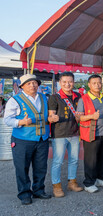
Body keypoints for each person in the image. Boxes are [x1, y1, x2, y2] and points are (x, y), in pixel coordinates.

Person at [4, 74, 55, 205]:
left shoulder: (44, 97)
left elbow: (47, 115)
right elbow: (7, 119)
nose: (32, 85)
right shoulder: (14, 100)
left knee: (41, 167)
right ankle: (24, 193)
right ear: (22, 86)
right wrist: (21, 121)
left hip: (42, 138)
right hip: (22, 139)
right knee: (22, 167)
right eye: (28, 83)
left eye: (34, 83)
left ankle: (38, 190)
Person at [48, 72, 83, 197]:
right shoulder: (54, 97)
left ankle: (72, 182)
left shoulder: (78, 96)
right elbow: (50, 115)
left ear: (74, 82)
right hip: (59, 134)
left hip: (74, 133)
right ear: (60, 83)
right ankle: (56, 186)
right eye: (64, 82)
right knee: (58, 161)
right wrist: (53, 118)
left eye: (70, 82)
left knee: (74, 160)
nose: (67, 84)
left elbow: (80, 115)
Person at [76, 74, 103, 193]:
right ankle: (89, 182)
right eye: (94, 83)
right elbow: (79, 118)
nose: (97, 85)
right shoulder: (84, 99)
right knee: (90, 159)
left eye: (99, 83)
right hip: (91, 133)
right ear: (89, 85)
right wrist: (91, 116)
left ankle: (101, 178)